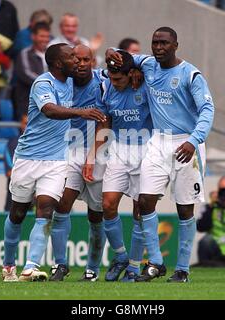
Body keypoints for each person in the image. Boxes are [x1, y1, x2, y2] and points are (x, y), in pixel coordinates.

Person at [106, 26, 215, 283]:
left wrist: (193, 140)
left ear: (176, 44)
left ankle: (182, 269)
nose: (158, 47)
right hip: (158, 140)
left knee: (184, 208)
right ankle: (155, 262)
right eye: (155, 42)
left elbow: (207, 110)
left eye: (164, 43)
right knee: (144, 201)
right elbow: (120, 57)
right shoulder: (148, 64)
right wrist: (113, 53)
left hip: (186, 143)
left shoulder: (191, 75)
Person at [1, 43, 106, 282]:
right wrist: (81, 112)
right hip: (29, 157)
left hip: (57, 159)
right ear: (59, 63)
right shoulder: (43, 83)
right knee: (17, 213)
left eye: (81, 59)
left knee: (46, 208)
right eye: (72, 58)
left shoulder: (70, 80)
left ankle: (30, 267)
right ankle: (8, 265)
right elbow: (49, 110)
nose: (78, 62)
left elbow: (101, 73)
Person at [83, 50, 152, 282]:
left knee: (140, 211)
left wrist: (139, 67)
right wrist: (92, 156)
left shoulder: (145, 83)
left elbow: (152, 62)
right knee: (108, 204)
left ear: (132, 74)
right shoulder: (106, 88)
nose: (115, 83)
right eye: (112, 78)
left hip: (146, 150)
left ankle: (133, 267)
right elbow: (104, 125)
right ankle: (121, 255)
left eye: (119, 79)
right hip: (119, 149)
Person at [47, 44, 108, 282]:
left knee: (96, 215)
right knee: (62, 205)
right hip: (69, 150)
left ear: (93, 61)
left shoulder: (103, 83)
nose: (81, 63)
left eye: (86, 59)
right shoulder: (63, 84)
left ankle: (92, 269)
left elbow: (106, 122)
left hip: (99, 150)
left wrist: (92, 157)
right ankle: (60, 265)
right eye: (77, 59)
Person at [13, 22, 50, 121]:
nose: (45, 39)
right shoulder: (24, 54)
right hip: (28, 107)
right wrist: (51, 83)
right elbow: (26, 74)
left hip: (49, 106)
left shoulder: (51, 54)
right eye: (41, 36)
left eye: (47, 36)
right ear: (33, 36)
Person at [3, 114, 27, 212]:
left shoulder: (44, 144)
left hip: (36, 197)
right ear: (21, 124)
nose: (29, 126)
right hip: (14, 196)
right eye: (26, 123)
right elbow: (10, 172)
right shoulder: (12, 144)